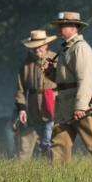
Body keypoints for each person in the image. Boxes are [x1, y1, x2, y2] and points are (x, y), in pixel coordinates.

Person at [48, 11, 92, 165]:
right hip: (65, 104)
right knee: (59, 143)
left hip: (80, 104)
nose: (59, 29)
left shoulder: (80, 48)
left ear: (74, 27)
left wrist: (81, 106)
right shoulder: (66, 49)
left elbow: (85, 79)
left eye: (63, 26)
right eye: (59, 26)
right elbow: (64, 81)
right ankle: (56, 180)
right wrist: (50, 73)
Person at [14, 30, 57, 160]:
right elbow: (20, 89)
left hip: (52, 105)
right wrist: (21, 109)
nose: (37, 49)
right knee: (27, 143)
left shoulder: (55, 58)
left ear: (46, 45)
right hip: (32, 107)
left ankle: (53, 167)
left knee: (48, 141)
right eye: (34, 47)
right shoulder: (26, 64)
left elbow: (63, 82)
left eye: (39, 46)